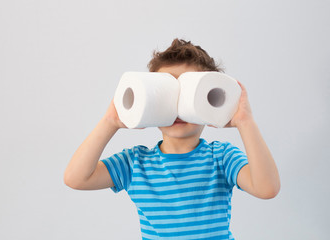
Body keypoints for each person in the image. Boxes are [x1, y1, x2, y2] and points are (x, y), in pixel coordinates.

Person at [64, 39, 281, 240]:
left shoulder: (222, 157)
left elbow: (267, 188)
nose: (177, 108)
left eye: (187, 96)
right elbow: (76, 178)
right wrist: (110, 121)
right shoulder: (135, 163)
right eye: (166, 94)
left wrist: (246, 122)